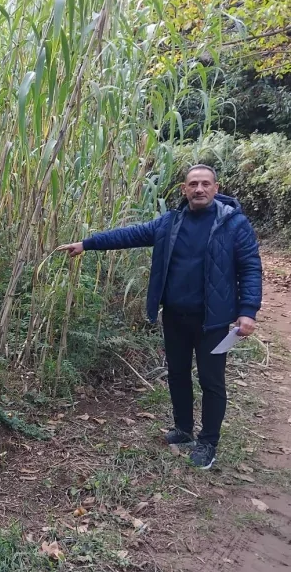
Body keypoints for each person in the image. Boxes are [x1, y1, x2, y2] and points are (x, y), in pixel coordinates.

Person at [58, 165, 262, 469]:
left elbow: (250, 268)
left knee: (211, 381)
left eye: (206, 184)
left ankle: (208, 442)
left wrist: (248, 311)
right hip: (176, 316)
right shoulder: (171, 222)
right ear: (184, 189)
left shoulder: (235, 225)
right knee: (178, 374)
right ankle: (183, 430)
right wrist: (88, 243)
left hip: (214, 320)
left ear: (216, 189)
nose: (199, 189)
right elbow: (131, 234)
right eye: (193, 184)